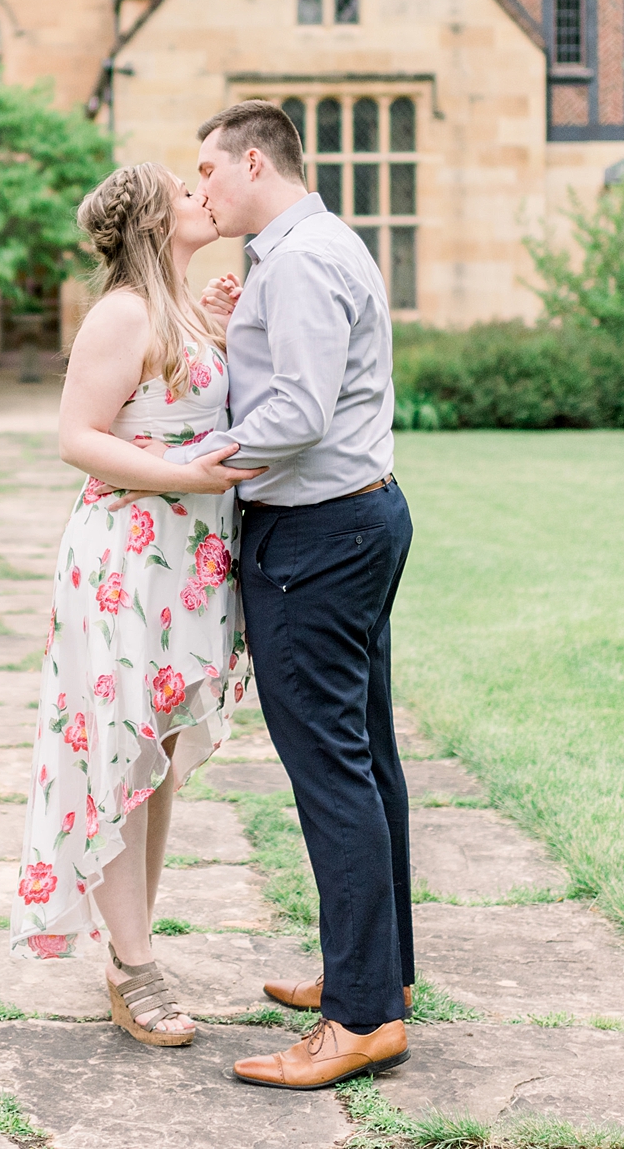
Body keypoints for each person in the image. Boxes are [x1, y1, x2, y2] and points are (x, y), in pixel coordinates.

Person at [181, 99, 417, 1090]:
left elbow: (302, 415)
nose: (198, 190)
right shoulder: (301, 252)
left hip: (320, 537)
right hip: (347, 522)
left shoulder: (308, 258)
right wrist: (240, 334)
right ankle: (375, 974)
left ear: (251, 161)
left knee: (331, 770)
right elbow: (294, 381)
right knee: (362, 757)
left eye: (205, 171)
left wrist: (188, 461)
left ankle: (360, 1018)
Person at [9, 162, 260, 1048]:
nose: (204, 198)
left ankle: (129, 951)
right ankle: (135, 964)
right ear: (156, 224)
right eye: (185, 195)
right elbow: (78, 438)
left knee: (147, 767)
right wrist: (188, 475)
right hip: (124, 563)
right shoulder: (120, 312)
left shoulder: (183, 311)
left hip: (180, 568)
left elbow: (180, 402)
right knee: (116, 760)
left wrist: (222, 332)